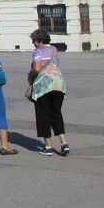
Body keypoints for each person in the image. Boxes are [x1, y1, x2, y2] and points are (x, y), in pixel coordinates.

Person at [28, 28, 69, 156]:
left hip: (43, 86)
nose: (33, 43)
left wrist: (30, 74)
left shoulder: (38, 51)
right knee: (56, 113)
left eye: (34, 40)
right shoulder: (53, 49)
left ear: (39, 40)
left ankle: (48, 146)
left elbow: (37, 67)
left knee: (43, 115)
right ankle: (64, 143)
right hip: (58, 84)